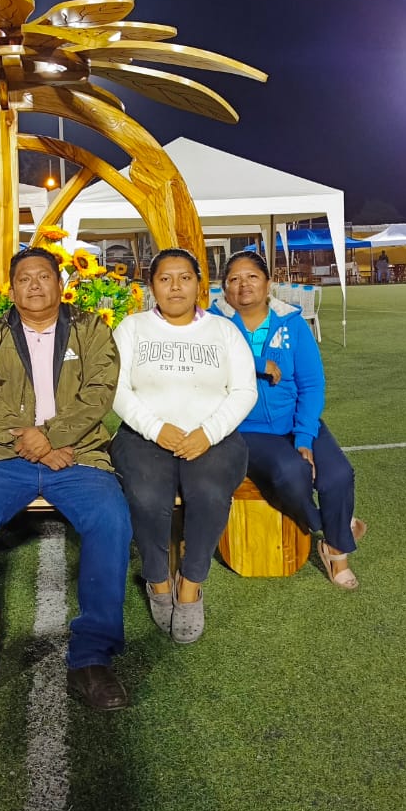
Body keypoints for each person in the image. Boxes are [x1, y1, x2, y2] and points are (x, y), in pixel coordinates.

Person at [0, 247, 134, 712]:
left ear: (60, 283)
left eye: (44, 276)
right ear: (12, 289)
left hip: (77, 453)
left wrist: (52, 437)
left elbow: (99, 392)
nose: (35, 285)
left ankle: (92, 656)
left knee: (111, 519)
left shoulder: (90, 328)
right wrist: (33, 441)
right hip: (6, 455)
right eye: (24, 278)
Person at [110, 249, 257, 642]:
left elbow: (244, 391)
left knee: (208, 491)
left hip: (212, 437)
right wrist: (155, 428)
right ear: (151, 286)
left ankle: (190, 583)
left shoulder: (224, 331)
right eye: (165, 279)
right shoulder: (132, 328)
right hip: (144, 436)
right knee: (146, 495)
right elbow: (116, 388)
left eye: (185, 278)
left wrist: (208, 433)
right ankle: (158, 580)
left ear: (199, 285)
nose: (175, 287)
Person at [211, 251, 365, 590]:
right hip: (245, 429)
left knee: (338, 474)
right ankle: (333, 531)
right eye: (234, 279)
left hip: (295, 420)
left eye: (252, 277)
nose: (243, 285)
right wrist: (257, 363)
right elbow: (211, 366)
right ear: (224, 288)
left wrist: (304, 437)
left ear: (268, 283)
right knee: (291, 472)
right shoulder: (213, 325)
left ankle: (335, 550)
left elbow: (312, 384)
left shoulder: (292, 323)